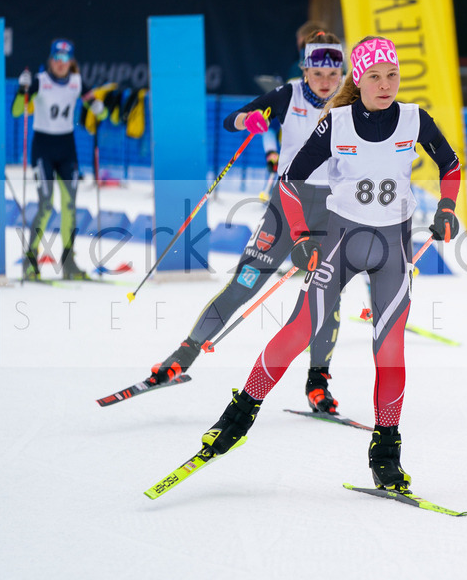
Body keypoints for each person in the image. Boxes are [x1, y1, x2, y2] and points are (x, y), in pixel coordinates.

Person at [197, 36, 462, 492]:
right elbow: (289, 180)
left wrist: (447, 208)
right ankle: (238, 417)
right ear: (357, 80)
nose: (385, 84)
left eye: (392, 75)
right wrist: (299, 236)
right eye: (374, 76)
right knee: (300, 329)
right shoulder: (336, 123)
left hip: (392, 252)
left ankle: (386, 451)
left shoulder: (415, 119)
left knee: (390, 348)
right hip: (340, 245)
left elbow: (451, 166)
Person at [144, 30, 347, 414]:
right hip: (286, 205)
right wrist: (250, 120)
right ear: (305, 70)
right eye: (317, 73)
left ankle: (317, 382)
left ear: (342, 72)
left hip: (332, 210)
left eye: (333, 74)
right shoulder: (288, 94)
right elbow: (231, 121)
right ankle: (181, 358)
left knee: (324, 296)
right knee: (244, 283)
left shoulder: (351, 103)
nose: (325, 81)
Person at [12, 38, 107, 280]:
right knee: (45, 205)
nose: (61, 63)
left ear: (71, 61)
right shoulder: (40, 82)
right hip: (43, 149)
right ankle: (30, 261)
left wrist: (99, 108)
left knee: (69, 206)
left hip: (67, 150)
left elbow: (101, 111)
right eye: (57, 57)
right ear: (51, 59)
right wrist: (22, 89)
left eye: (66, 58)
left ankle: (68, 262)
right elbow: (15, 111)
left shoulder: (76, 82)